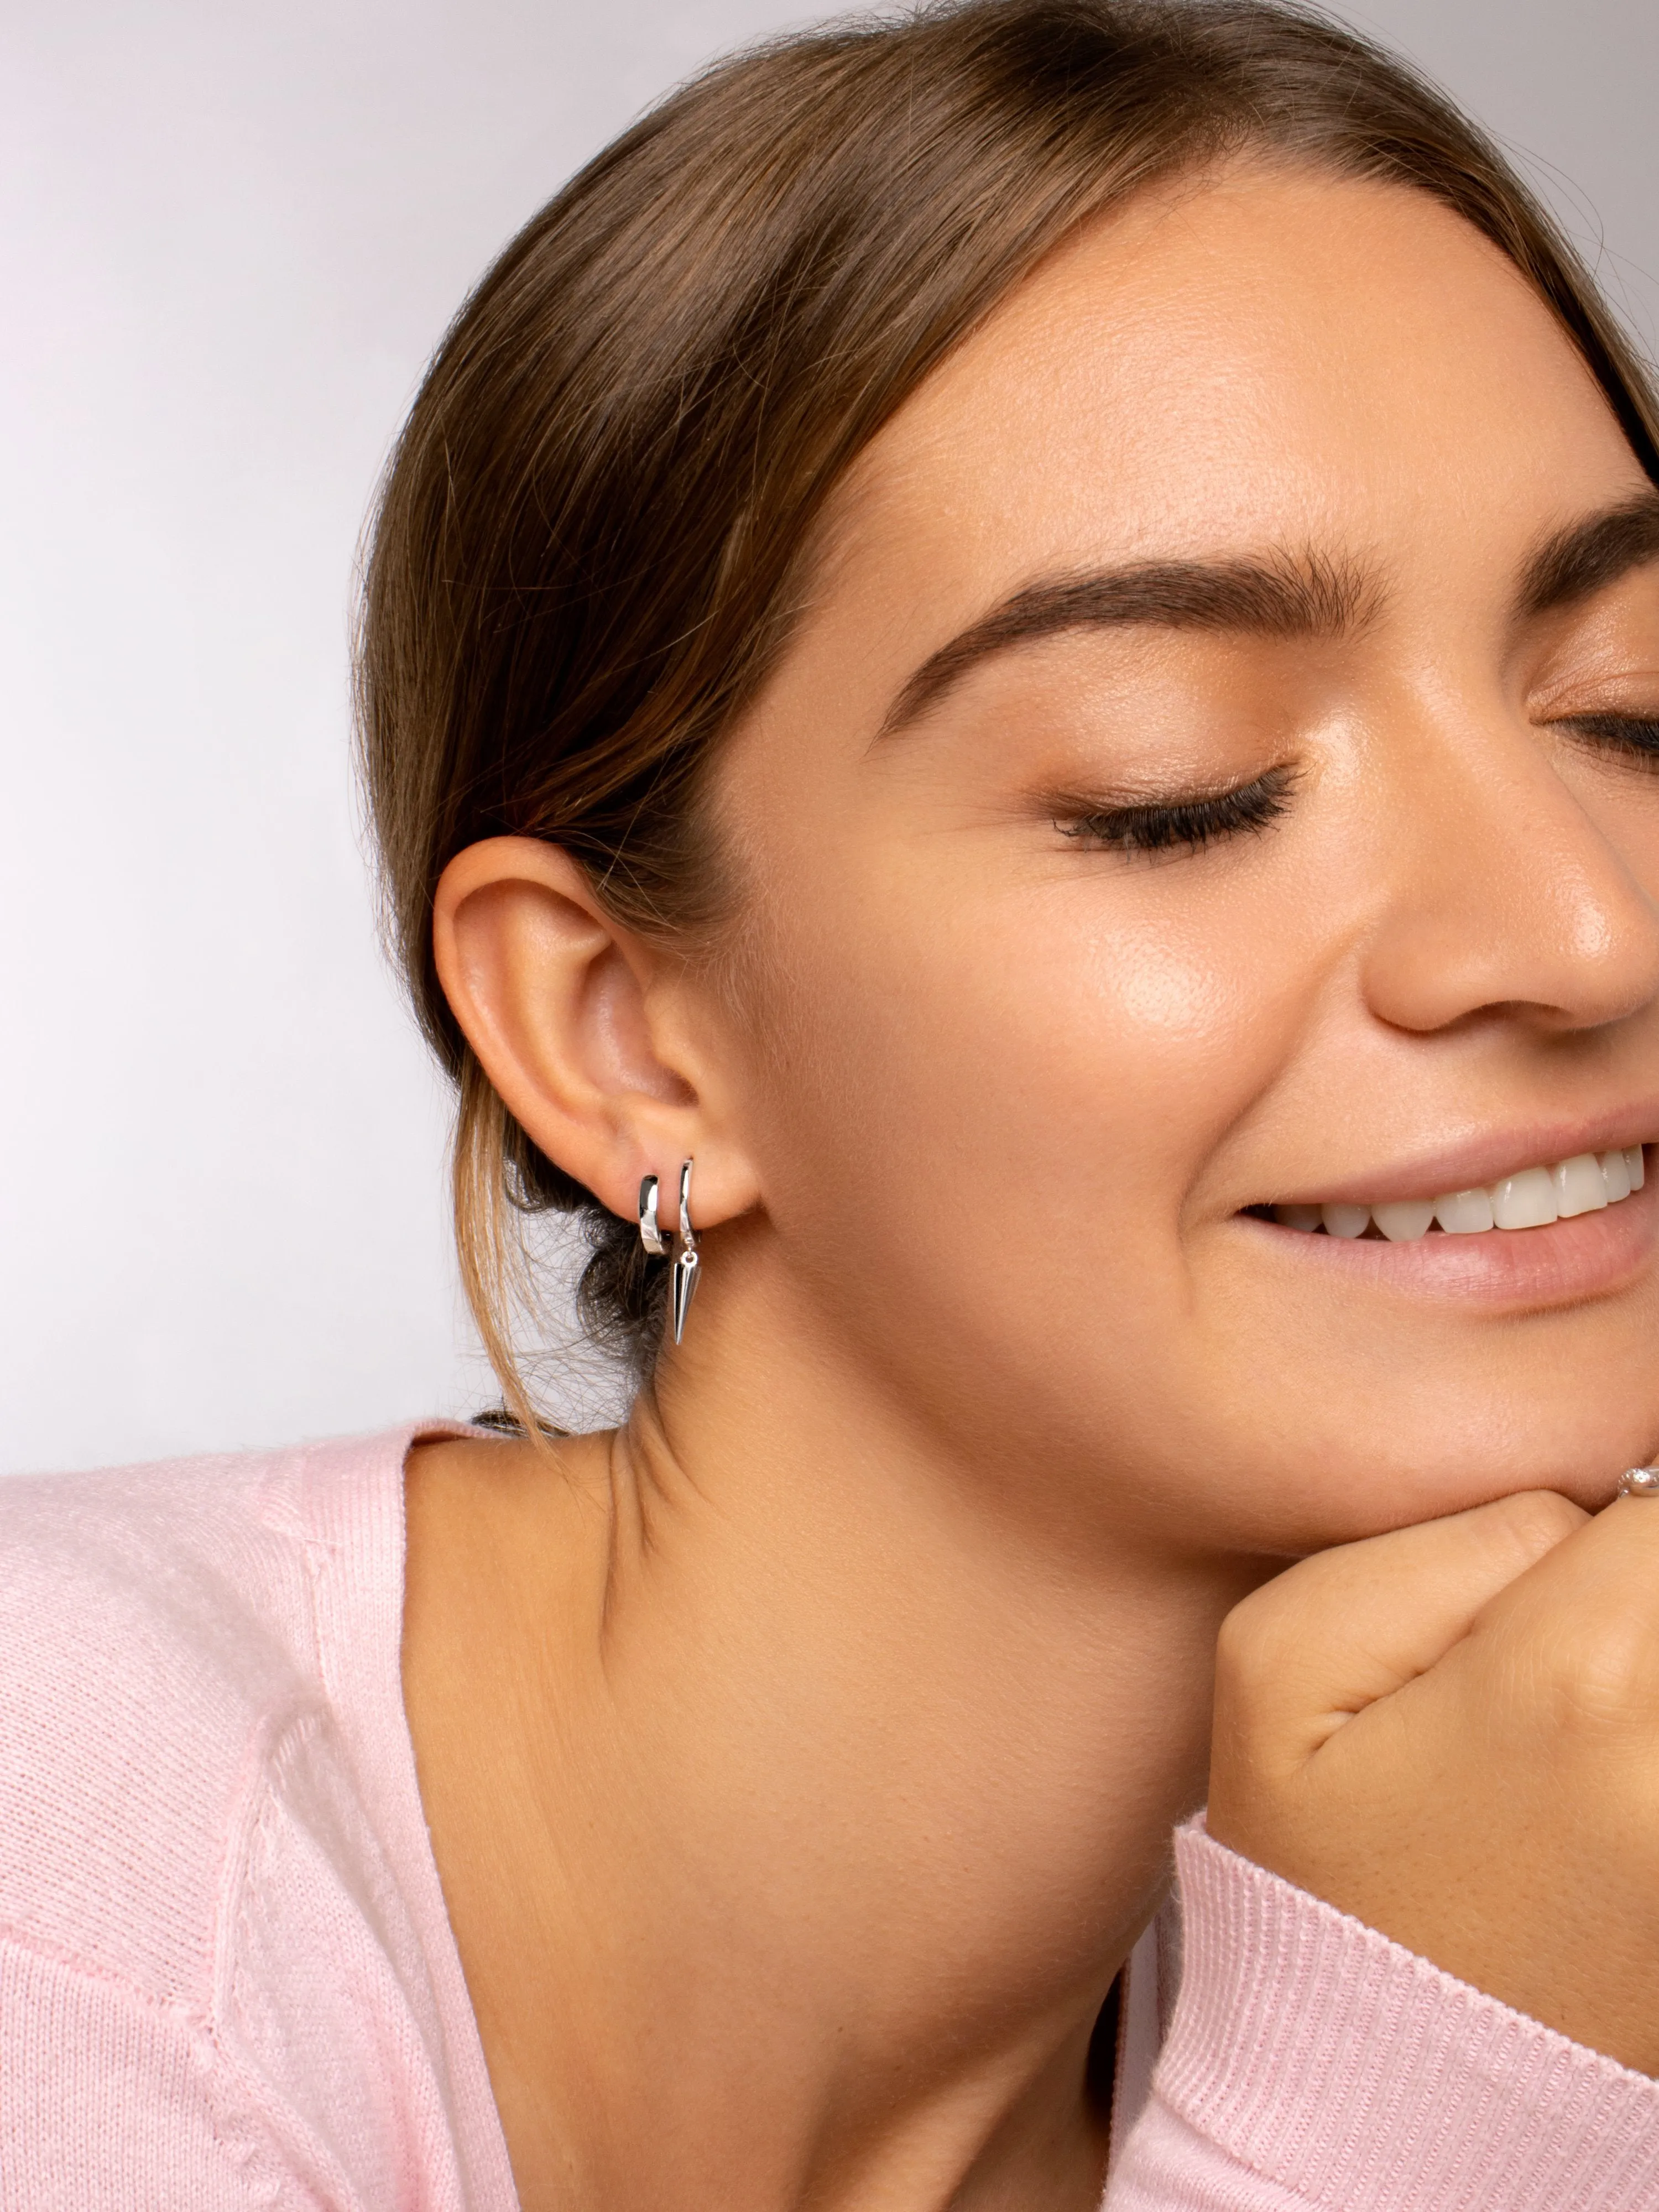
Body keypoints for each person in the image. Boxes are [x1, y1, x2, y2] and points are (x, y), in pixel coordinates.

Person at [6, 0, 1659, 2203]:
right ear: (625, 1036)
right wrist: (1411, 2104)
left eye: (1635, 714)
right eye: (1185, 793)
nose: (1582, 930)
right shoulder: (68, 1913)